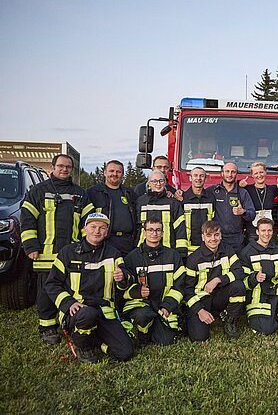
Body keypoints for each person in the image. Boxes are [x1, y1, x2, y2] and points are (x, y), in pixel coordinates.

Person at [21, 154, 94, 344]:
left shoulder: (80, 193)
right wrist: (30, 246)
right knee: (46, 291)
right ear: (52, 167)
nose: (64, 170)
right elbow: (27, 220)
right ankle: (47, 327)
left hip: (73, 254)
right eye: (61, 166)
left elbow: (89, 222)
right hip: (46, 254)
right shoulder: (38, 191)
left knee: (71, 289)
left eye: (68, 167)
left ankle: (67, 321)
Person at [45, 212, 133, 363]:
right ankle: (83, 347)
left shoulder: (113, 253)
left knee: (124, 353)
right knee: (88, 315)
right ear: (85, 229)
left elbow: (127, 279)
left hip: (104, 312)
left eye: (101, 228)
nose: (97, 231)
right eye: (93, 227)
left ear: (106, 232)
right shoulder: (68, 252)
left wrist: (123, 277)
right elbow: (52, 283)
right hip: (79, 309)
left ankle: (96, 341)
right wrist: (68, 303)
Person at [121, 219, 186, 346]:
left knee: (165, 341)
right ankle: (142, 334)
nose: (154, 233)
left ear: (162, 233)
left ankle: (155, 327)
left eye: (158, 230)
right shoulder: (132, 258)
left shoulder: (173, 256)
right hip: (142, 306)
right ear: (144, 232)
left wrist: (167, 305)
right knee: (143, 315)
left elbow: (180, 285)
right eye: (150, 230)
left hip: (163, 306)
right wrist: (137, 291)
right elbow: (124, 287)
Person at [184, 221, 246, 341]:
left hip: (220, 295)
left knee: (239, 286)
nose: (213, 239)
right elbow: (187, 291)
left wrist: (218, 280)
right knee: (199, 338)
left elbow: (239, 272)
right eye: (209, 235)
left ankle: (230, 322)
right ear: (203, 237)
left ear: (221, 235)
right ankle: (189, 318)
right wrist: (199, 310)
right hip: (201, 299)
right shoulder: (193, 259)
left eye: (216, 235)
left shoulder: (227, 250)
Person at [87, 159, 137, 255]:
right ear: (105, 173)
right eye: (111, 171)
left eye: (118, 172)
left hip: (127, 243)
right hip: (105, 241)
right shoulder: (93, 193)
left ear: (122, 174)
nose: (115, 174)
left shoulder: (130, 194)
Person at [135, 171, 188, 258]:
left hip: (168, 252)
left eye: (161, 181)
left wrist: (181, 253)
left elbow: (180, 230)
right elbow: (136, 228)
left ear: (165, 183)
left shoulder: (173, 203)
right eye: (154, 181)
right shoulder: (140, 202)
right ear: (149, 184)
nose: (158, 184)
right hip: (143, 252)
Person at [210, 162, 256, 252]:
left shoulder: (242, 193)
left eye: (233, 172)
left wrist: (243, 212)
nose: (230, 175)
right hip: (217, 237)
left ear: (236, 174)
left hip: (237, 239)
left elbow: (252, 214)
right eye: (227, 171)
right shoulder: (213, 191)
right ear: (222, 173)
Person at [239, 161, 278, 240]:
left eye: (261, 172)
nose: (259, 175)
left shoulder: (272, 189)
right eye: (256, 173)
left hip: (269, 231)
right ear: (252, 175)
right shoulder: (247, 189)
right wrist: (239, 183)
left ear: (265, 173)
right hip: (253, 232)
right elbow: (232, 187)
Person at [181, 167, 215, 254]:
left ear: (205, 179)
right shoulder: (182, 198)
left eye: (201, 176)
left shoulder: (211, 198)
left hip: (208, 246)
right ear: (190, 178)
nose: (198, 178)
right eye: (195, 175)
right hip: (188, 248)